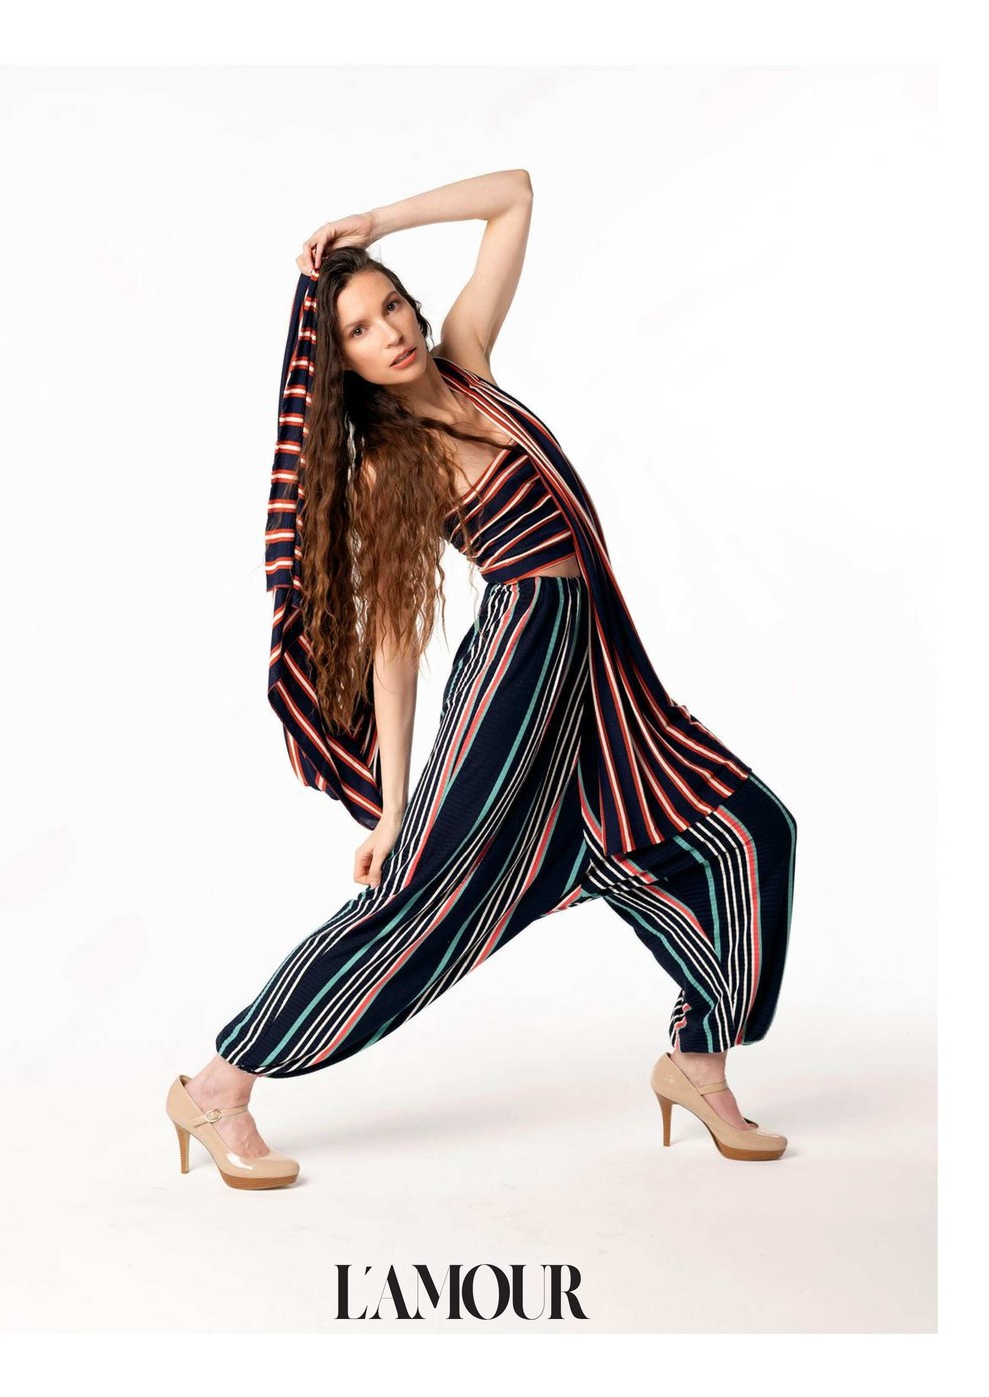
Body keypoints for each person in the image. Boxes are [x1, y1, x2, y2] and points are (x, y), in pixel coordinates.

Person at [165, 170, 798, 1189]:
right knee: (422, 893)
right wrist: (395, 805)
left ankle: (698, 1063)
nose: (389, 332)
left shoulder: (469, 362)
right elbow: (398, 641)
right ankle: (217, 1084)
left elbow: (515, 196)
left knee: (752, 832)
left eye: (390, 306)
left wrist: (374, 221)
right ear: (343, 364)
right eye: (360, 330)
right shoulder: (390, 464)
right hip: (516, 674)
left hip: (601, 685)